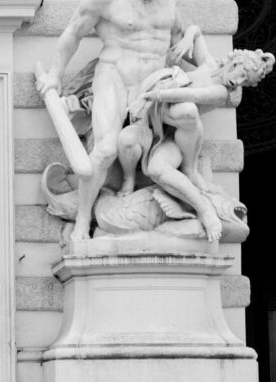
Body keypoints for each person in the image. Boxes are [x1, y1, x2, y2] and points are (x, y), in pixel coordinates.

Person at [36, 0, 212, 241]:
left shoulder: (170, 5)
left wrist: (209, 68)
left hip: (153, 86)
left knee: (187, 115)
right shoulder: (104, 2)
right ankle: (83, 219)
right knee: (106, 150)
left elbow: (194, 45)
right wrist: (55, 75)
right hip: (115, 77)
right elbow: (74, 32)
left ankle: (189, 174)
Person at [117, 48, 275, 242]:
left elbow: (189, 95)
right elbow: (194, 35)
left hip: (178, 137)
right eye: (242, 75)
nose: (239, 83)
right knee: (125, 141)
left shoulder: (220, 92)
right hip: (150, 125)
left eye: (245, 83)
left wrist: (154, 95)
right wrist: (189, 35)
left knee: (158, 166)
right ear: (234, 64)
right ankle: (129, 178)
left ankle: (205, 209)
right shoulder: (208, 64)